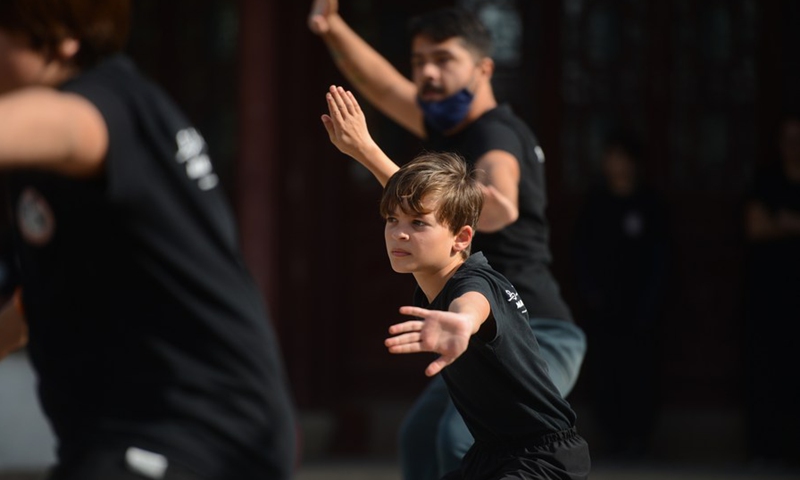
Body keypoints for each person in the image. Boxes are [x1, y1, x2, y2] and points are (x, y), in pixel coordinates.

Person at [0, 1, 296, 479]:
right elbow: (38, 302)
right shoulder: (55, 161)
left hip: (195, 431)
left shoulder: (109, 104)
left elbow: (71, 127)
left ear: (62, 37)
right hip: (133, 435)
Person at [310, 3, 586, 478]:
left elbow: (501, 205)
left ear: (483, 68)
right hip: (468, 330)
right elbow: (383, 85)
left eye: (443, 60)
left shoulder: (496, 133)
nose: (428, 74)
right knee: (420, 435)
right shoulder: (445, 128)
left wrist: (371, 153)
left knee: (457, 437)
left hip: (536, 330)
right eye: (419, 62)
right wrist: (331, 27)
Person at [572, 132, 668, 459]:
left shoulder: (650, 203)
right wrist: (591, 293)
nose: (616, 165)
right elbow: (581, 252)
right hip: (603, 306)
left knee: (640, 371)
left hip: (641, 306)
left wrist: (651, 302)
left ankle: (639, 438)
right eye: (611, 156)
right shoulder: (596, 202)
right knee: (605, 371)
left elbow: (661, 257)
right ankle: (611, 437)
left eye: (622, 157)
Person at [742, 111, 800, 468]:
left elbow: (771, 223)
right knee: (768, 369)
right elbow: (756, 226)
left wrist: (785, 221)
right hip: (769, 292)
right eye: (788, 139)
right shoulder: (767, 180)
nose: (794, 147)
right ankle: (766, 448)